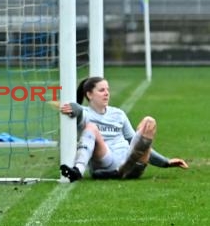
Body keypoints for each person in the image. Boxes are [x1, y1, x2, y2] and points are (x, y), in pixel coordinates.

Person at [59, 76, 188, 182]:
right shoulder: (86, 114)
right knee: (91, 127)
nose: (107, 93)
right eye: (101, 90)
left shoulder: (118, 114)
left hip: (131, 161)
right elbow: (77, 109)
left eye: (107, 90)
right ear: (89, 94)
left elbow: (137, 142)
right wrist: (72, 107)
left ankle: (123, 169)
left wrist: (165, 162)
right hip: (106, 160)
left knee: (149, 122)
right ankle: (78, 170)